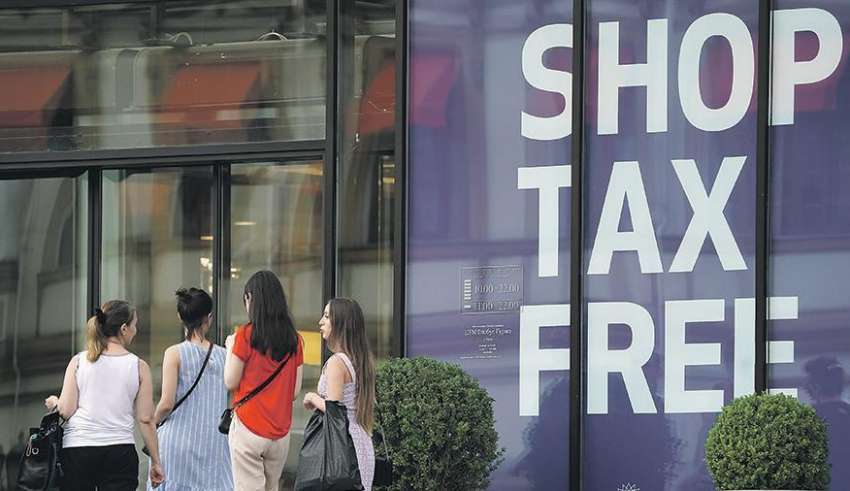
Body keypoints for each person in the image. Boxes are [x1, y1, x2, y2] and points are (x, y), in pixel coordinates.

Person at [45, 300, 165, 490]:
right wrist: (156, 462)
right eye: (134, 325)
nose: (135, 330)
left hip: (78, 449)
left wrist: (55, 402)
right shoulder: (138, 366)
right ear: (124, 328)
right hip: (119, 450)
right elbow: (145, 419)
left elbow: (66, 410)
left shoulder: (79, 361)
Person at [224, 270, 303, 490]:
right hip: (280, 434)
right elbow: (295, 391)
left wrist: (230, 348)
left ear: (250, 299)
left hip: (248, 427)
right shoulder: (295, 339)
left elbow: (230, 381)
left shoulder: (245, 335)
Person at [149, 288, 233, 490]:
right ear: (209, 318)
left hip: (177, 444)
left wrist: (152, 423)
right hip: (214, 446)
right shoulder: (224, 356)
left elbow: (166, 403)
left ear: (181, 317)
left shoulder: (174, 353)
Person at [303, 298, 376, 490]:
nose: (321, 321)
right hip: (360, 442)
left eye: (327, 316)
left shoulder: (337, 363)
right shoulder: (360, 360)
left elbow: (333, 409)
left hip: (343, 447)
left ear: (340, 323)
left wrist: (312, 397)